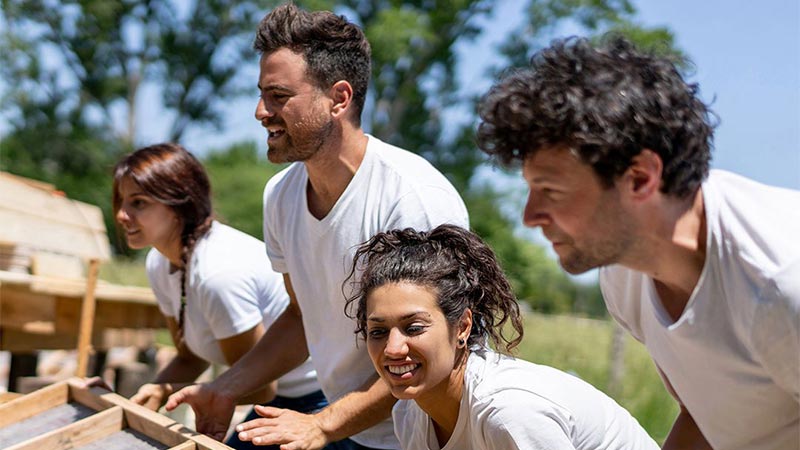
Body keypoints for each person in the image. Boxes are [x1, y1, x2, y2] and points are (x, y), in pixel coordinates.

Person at [165, 4, 469, 450]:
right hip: (341, 418)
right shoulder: (281, 195)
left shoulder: (412, 199)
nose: (259, 112)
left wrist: (322, 425)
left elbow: (434, 354)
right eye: (261, 94)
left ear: (339, 99)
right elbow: (301, 316)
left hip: (415, 435)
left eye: (278, 96)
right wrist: (225, 387)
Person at [476, 35, 800, 450]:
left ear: (641, 178)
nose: (529, 216)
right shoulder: (623, 273)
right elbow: (701, 415)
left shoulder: (780, 283)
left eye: (551, 191)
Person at [345, 224, 660, 450]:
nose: (393, 347)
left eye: (414, 328)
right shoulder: (411, 414)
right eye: (379, 331)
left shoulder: (508, 413)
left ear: (463, 328)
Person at [112, 143, 326, 450]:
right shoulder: (159, 263)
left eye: (138, 203)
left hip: (316, 398)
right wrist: (153, 392)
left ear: (179, 204)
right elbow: (190, 356)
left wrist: (171, 391)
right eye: (121, 201)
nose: (121, 214)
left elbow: (262, 387)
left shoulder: (218, 274)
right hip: (277, 398)